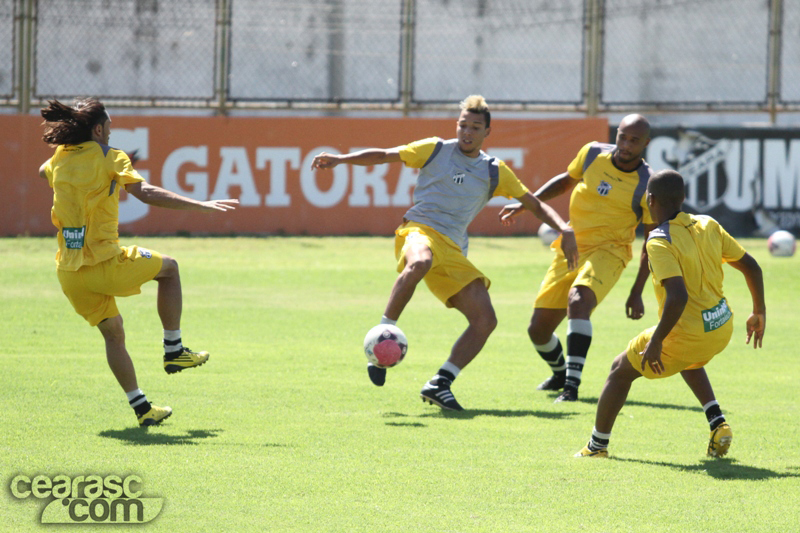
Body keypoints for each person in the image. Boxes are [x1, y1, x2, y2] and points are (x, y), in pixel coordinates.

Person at [311, 95, 578, 410]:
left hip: (452, 249)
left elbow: (534, 203)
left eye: (475, 127)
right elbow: (384, 155)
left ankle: (440, 383)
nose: (467, 132)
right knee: (420, 261)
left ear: (486, 132)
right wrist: (342, 159)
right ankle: (385, 329)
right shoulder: (435, 149)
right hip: (418, 230)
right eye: (463, 125)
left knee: (485, 320)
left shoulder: (494, 171)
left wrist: (564, 228)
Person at [39, 98, 239, 426]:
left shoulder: (58, 158)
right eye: (110, 128)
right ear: (99, 129)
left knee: (113, 334)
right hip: (105, 264)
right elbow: (144, 192)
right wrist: (200, 205)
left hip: (69, 273)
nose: (111, 134)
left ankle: (142, 408)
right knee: (170, 268)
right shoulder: (110, 156)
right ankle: (174, 350)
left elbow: (42, 170)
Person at [575, 169, 765, 458]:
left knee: (619, 371)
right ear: (683, 197)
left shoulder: (659, 240)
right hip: (721, 326)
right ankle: (717, 423)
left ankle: (596, 446)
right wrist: (758, 311)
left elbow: (677, 297)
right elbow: (752, 266)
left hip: (688, 332)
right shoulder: (708, 223)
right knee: (688, 358)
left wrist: (657, 341)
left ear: (650, 200)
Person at [500, 114, 655, 402]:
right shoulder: (593, 152)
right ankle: (560, 373)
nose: (626, 144)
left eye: (634, 140)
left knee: (578, 299)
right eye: (622, 136)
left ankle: (571, 387)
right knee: (538, 330)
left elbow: (651, 241)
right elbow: (566, 181)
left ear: (645, 144)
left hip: (610, 251)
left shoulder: (647, 183)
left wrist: (636, 292)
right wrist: (528, 203)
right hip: (571, 246)